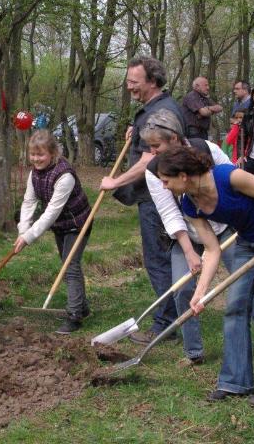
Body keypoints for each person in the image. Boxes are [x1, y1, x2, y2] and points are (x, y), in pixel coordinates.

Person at [156, 146, 254, 403]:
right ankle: (236, 382)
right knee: (235, 308)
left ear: (183, 176)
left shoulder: (228, 177)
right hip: (247, 245)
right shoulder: (190, 205)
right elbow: (212, 250)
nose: (163, 186)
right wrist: (201, 293)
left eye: (165, 180)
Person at [100, 56, 185, 344]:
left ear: (152, 81)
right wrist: (135, 132)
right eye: (128, 82)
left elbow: (150, 158)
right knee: (162, 258)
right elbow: (148, 142)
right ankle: (169, 317)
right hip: (155, 193)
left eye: (134, 82)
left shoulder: (160, 110)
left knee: (158, 260)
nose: (129, 87)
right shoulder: (155, 110)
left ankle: (166, 325)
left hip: (157, 195)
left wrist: (115, 181)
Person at [141, 108, 234, 365]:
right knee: (182, 290)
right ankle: (194, 353)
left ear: (173, 139)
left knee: (248, 287)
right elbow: (169, 212)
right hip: (188, 232)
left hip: (226, 227)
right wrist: (190, 251)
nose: (152, 153)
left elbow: (232, 183)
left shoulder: (206, 148)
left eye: (156, 146)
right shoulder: (153, 170)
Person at [14, 130, 92, 334]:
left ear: (53, 153)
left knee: (70, 266)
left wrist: (29, 237)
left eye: (41, 155)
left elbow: (50, 213)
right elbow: (29, 201)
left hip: (78, 222)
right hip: (60, 226)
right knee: (68, 264)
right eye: (33, 154)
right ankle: (83, 308)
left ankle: (74, 315)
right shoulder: (34, 174)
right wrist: (23, 230)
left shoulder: (64, 175)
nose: (36, 159)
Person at [239, 84, 254, 176]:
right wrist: (241, 155)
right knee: (242, 180)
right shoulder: (249, 114)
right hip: (253, 157)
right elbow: (242, 136)